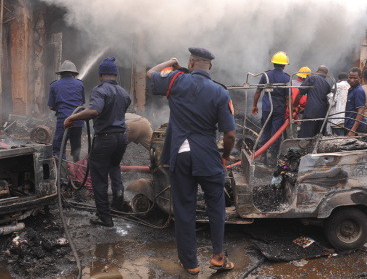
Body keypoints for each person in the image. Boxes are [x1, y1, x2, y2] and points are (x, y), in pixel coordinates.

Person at [147, 47, 236, 275]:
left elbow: (150, 75)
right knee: (216, 205)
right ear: (210, 66)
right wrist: (224, 156)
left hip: (180, 153)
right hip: (207, 154)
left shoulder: (176, 79)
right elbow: (230, 134)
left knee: (184, 208)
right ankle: (217, 257)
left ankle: (190, 263)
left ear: (191, 62)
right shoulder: (220, 92)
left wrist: (171, 62)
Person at [64, 57, 131, 227]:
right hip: (121, 138)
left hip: (106, 138)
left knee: (99, 177)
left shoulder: (100, 90)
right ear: (115, 74)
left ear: (100, 74)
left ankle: (104, 217)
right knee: (114, 167)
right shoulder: (124, 92)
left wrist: (73, 117)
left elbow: (94, 111)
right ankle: (118, 202)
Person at [251, 51, 290, 162]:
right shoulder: (287, 78)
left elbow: (258, 91)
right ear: (284, 65)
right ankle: (273, 157)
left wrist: (254, 106)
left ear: (273, 64)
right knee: (276, 132)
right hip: (279, 109)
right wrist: (289, 110)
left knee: (266, 130)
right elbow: (288, 97)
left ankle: (263, 155)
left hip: (267, 108)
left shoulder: (266, 75)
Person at [48, 60, 85, 161]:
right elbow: (81, 103)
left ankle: (62, 170)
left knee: (59, 147)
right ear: (73, 74)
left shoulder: (54, 85)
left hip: (63, 121)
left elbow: (51, 106)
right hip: (78, 120)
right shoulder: (80, 84)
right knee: (76, 147)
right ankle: (76, 168)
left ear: (60, 74)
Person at [293, 65, 331, 138]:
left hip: (310, 114)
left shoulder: (312, 78)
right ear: (325, 75)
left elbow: (300, 93)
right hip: (323, 115)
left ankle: (304, 149)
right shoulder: (327, 84)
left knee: (305, 137)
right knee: (318, 137)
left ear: (317, 71)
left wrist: (294, 106)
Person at [345, 68, 366, 136]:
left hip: (353, 127)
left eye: (355, 78)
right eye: (350, 77)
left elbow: (361, 111)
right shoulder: (351, 89)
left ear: (360, 78)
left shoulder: (358, 91)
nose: (352, 80)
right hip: (348, 124)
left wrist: (353, 130)